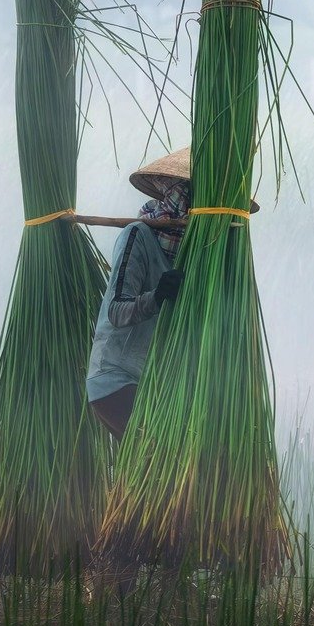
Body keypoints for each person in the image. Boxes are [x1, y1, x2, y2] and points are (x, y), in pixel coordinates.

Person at [84, 148, 195, 438]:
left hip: (153, 385)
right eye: (188, 197)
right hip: (116, 381)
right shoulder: (138, 235)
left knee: (157, 470)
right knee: (161, 459)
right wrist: (157, 296)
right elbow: (117, 310)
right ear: (175, 194)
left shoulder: (193, 257)